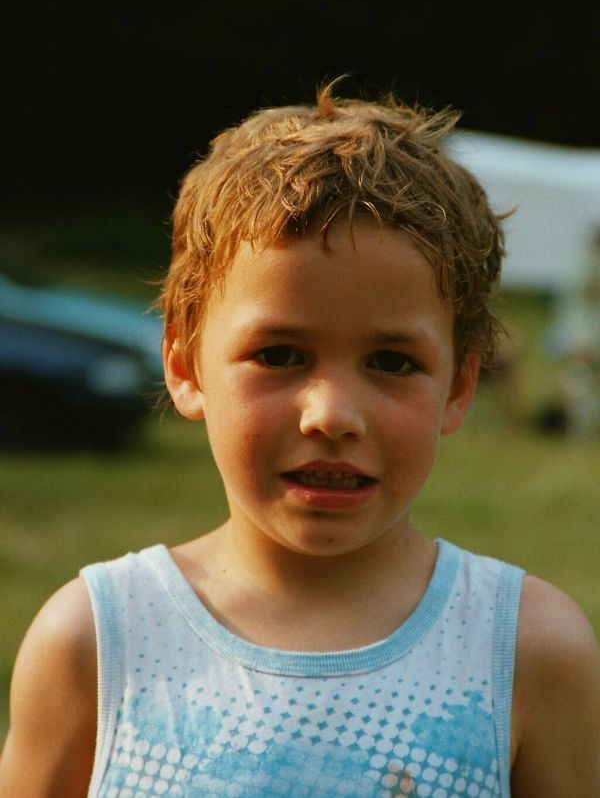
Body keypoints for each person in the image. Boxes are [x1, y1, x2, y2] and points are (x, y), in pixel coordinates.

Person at [1, 84, 599, 797]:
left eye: (392, 362)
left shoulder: (526, 651)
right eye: (280, 355)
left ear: (458, 387)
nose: (332, 415)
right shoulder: (99, 643)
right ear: (186, 367)